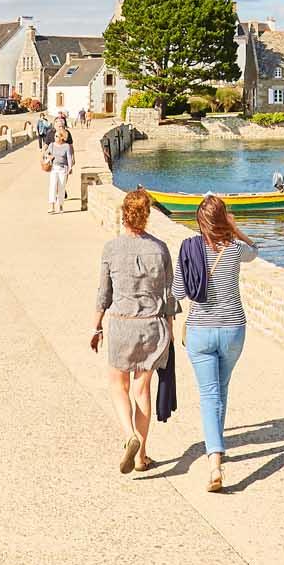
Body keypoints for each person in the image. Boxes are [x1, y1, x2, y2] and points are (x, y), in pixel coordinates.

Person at [172, 194, 258, 493]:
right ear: (224, 219)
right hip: (233, 329)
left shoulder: (189, 249)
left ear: (199, 221)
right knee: (220, 391)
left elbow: (178, 292)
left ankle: (214, 464)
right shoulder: (235, 251)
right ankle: (217, 450)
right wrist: (234, 228)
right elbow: (255, 251)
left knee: (210, 395)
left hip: (200, 329)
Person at [90, 186, 176, 473]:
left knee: (118, 385)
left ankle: (129, 436)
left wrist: (96, 325)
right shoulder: (159, 248)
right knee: (142, 389)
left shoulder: (111, 248)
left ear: (124, 215)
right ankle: (141, 456)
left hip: (122, 325)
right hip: (152, 326)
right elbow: (170, 295)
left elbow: (104, 293)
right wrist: (171, 329)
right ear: (146, 216)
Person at [46, 124, 74, 212]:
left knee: (62, 187)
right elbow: (46, 154)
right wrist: (49, 157)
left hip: (63, 169)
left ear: (62, 137)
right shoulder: (52, 145)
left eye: (57, 136)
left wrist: (70, 167)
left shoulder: (66, 146)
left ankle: (60, 205)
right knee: (53, 186)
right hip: (54, 168)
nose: (55, 137)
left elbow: (69, 158)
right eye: (55, 136)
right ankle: (52, 206)